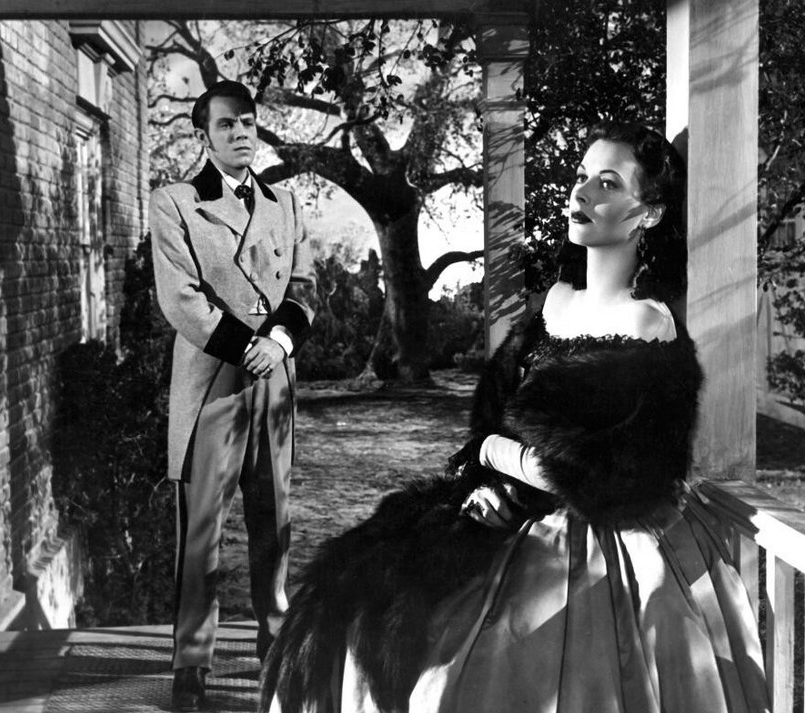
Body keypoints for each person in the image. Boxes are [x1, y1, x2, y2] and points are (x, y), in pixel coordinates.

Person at [260, 121, 769, 713]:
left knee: (469, 675)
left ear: (648, 214)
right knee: (352, 598)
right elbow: (497, 415)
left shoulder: (646, 323)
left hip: (588, 535)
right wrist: (487, 478)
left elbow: (620, 474)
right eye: (581, 176)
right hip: (507, 501)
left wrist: (497, 458)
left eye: (608, 184)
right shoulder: (554, 302)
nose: (581, 193)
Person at [149, 80, 316, 713]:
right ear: (204, 135)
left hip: (274, 380)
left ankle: (276, 649)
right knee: (202, 530)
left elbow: (304, 286)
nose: (241, 133)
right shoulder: (176, 202)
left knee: (275, 520)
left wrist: (279, 342)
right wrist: (251, 345)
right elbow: (180, 299)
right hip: (213, 381)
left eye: (247, 122)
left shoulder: (285, 204)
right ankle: (191, 666)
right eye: (226, 125)